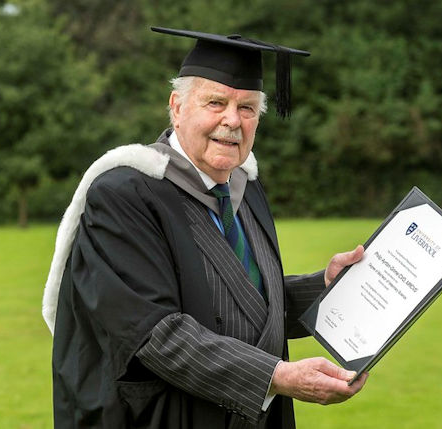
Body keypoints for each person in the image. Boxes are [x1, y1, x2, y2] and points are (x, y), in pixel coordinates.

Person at [42, 27, 368, 428]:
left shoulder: (245, 189)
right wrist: (276, 376)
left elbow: (242, 305)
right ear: (176, 107)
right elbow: (154, 334)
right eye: (216, 102)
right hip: (164, 417)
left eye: (247, 108)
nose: (232, 120)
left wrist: (326, 287)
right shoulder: (123, 195)